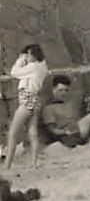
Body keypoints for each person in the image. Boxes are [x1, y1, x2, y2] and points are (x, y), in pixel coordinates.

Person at [5, 44, 49, 172]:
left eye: (29, 54)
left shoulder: (33, 67)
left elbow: (14, 72)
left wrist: (20, 60)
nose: (28, 57)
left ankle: (7, 164)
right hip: (35, 99)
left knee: (13, 132)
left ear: (35, 55)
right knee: (33, 132)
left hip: (26, 99)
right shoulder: (42, 66)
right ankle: (34, 162)